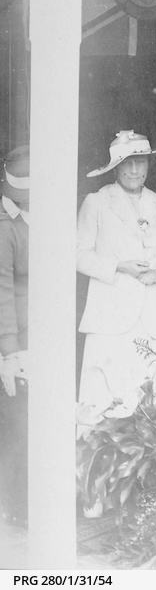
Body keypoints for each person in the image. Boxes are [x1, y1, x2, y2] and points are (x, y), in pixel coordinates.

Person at [77, 131, 156, 406]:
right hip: (111, 316)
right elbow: (77, 255)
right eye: (127, 163)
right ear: (115, 168)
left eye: (141, 162)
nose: (134, 170)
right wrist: (119, 266)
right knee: (109, 394)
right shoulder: (97, 202)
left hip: (154, 316)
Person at [0, 146, 29, 527]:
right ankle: (17, 504)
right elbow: (3, 289)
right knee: (18, 424)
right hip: (16, 339)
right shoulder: (6, 226)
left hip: (43, 332)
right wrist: (8, 352)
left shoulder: (32, 217)